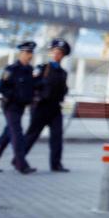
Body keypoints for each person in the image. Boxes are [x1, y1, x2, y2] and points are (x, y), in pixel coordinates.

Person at [23, 38, 71, 172]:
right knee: (32, 135)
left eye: (60, 53)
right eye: (54, 52)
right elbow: (31, 85)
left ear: (63, 55)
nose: (57, 55)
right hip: (41, 107)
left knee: (57, 136)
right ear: (50, 53)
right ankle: (19, 160)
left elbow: (63, 89)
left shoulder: (63, 73)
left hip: (55, 108)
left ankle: (56, 164)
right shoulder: (42, 68)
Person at [0, 40, 39, 173]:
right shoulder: (11, 69)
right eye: (26, 52)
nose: (29, 55)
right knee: (17, 133)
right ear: (21, 53)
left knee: (8, 133)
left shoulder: (30, 70)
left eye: (30, 53)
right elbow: (0, 87)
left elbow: (31, 88)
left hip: (21, 107)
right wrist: (12, 95)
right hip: (10, 106)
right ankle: (21, 165)